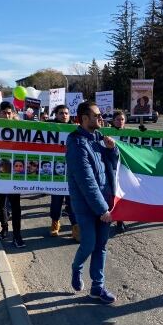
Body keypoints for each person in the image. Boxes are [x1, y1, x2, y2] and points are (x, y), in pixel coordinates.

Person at [66, 101, 119, 304]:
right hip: (87, 206)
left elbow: (112, 166)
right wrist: (102, 209)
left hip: (104, 202)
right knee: (88, 244)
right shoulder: (76, 143)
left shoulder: (98, 138)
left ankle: (97, 287)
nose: (101, 118)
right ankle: (76, 267)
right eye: (96, 115)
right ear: (84, 118)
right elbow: (86, 181)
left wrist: (112, 150)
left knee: (101, 246)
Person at [0, 101, 25, 248]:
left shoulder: (20, 127)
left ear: (13, 113)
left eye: (9, 113)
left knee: (16, 205)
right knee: (1, 203)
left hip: (14, 174)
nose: (6, 115)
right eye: (3, 112)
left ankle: (17, 235)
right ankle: (4, 228)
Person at [48, 105, 79, 241]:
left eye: (66, 113)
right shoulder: (48, 127)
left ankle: (75, 227)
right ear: (56, 115)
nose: (64, 115)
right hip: (56, 173)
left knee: (72, 203)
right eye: (61, 113)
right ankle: (55, 222)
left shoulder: (76, 129)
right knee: (56, 201)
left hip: (71, 173)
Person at [110, 110, 129, 233]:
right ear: (113, 121)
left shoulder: (131, 133)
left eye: (122, 119)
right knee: (112, 194)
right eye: (117, 119)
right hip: (111, 168)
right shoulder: (108, 132)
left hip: (125, 168)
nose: (120, 121)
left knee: (122, 194)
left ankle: (120, 220)